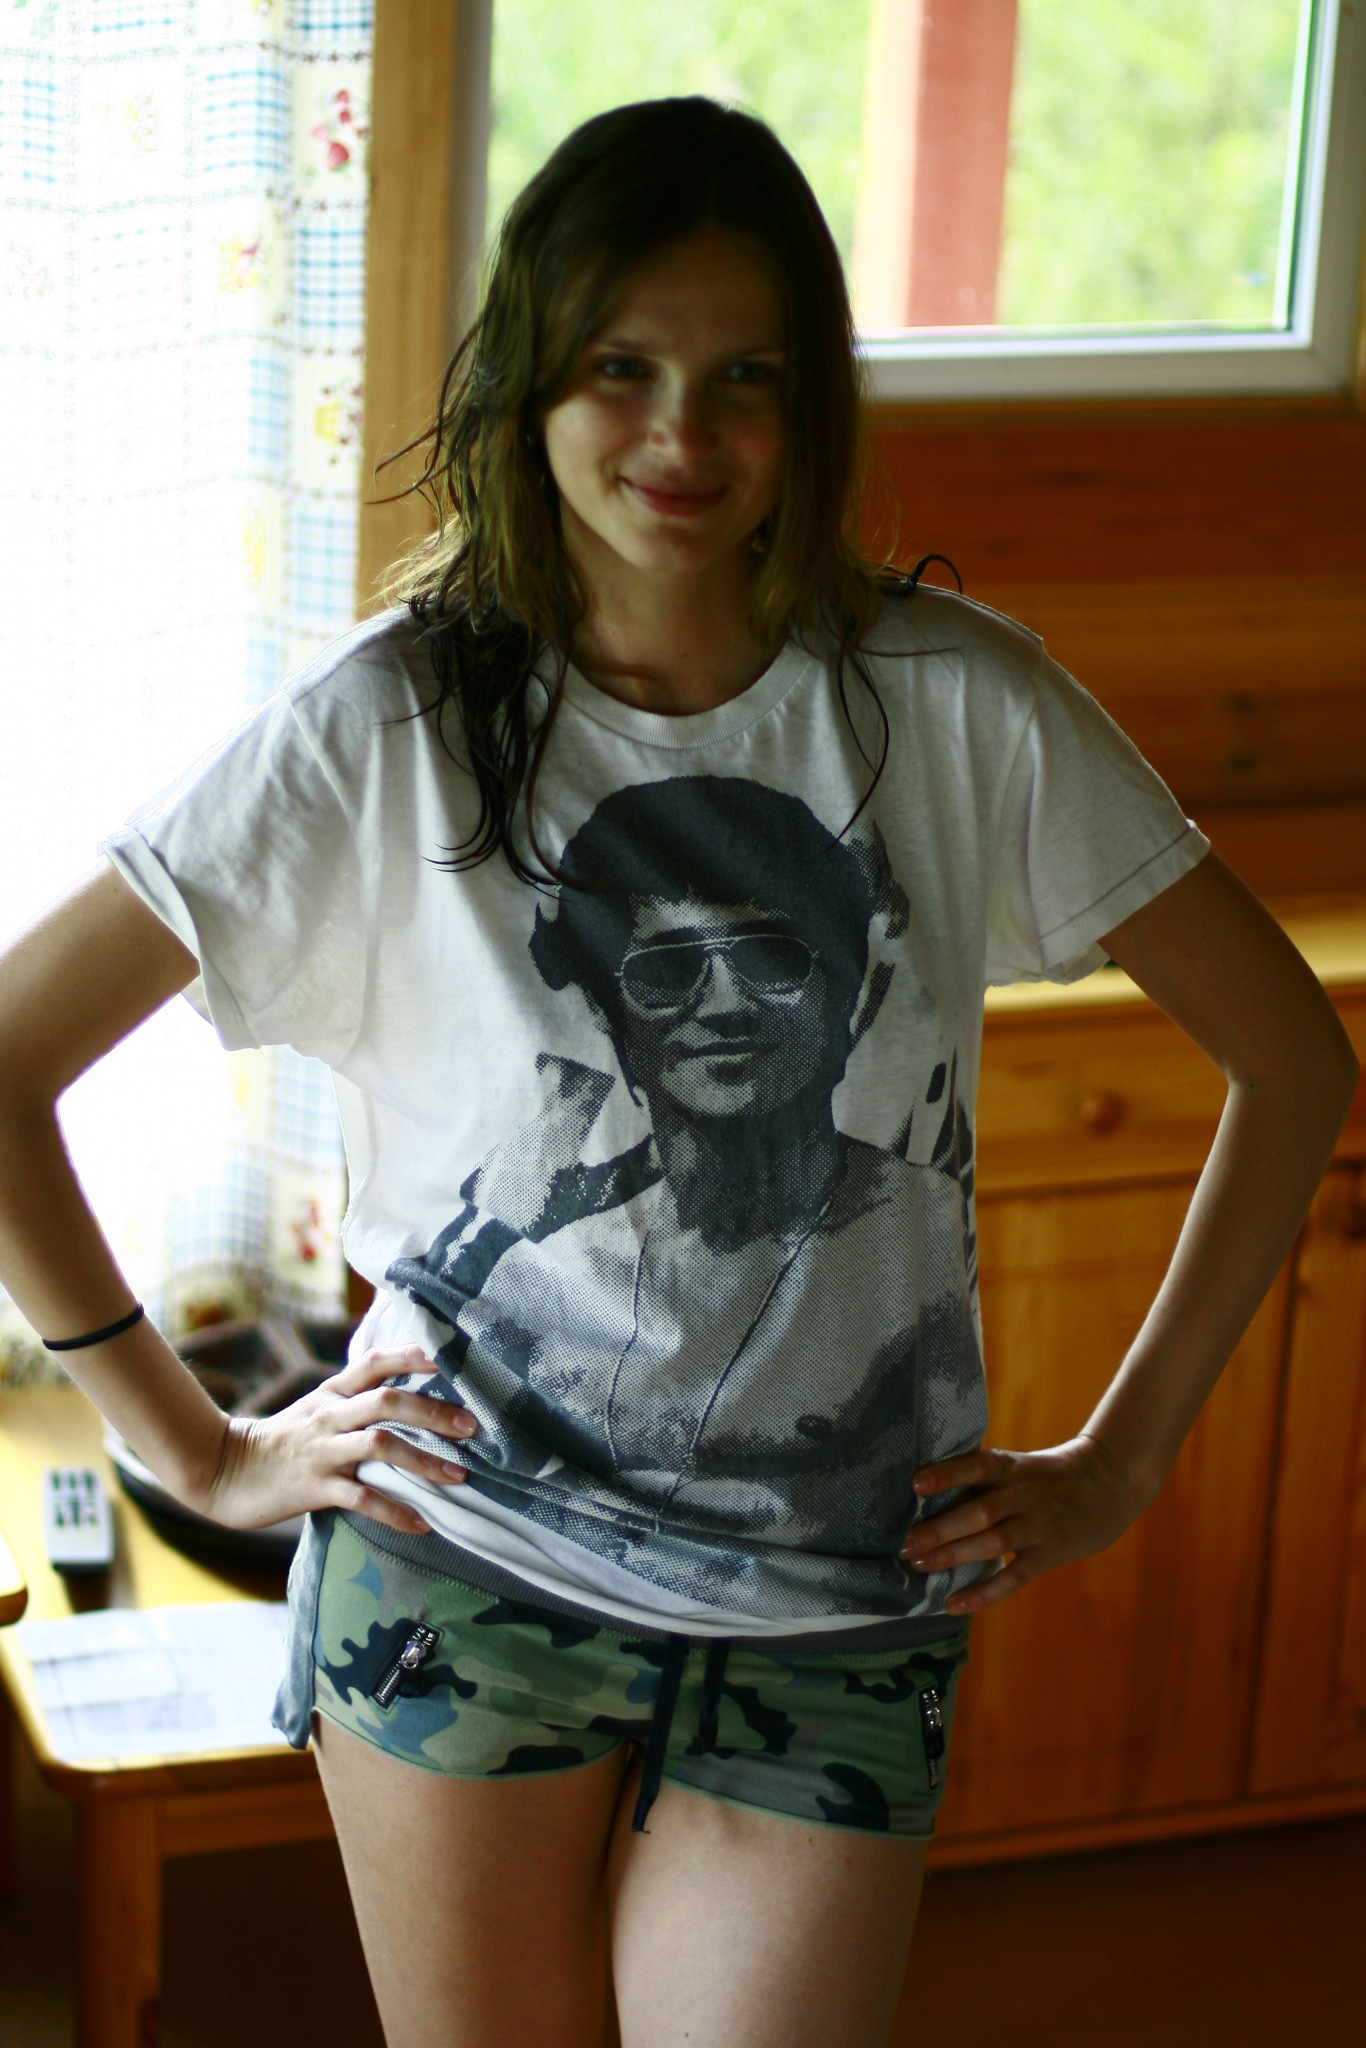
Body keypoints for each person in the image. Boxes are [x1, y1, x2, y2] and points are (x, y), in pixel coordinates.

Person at [0, 93, 1354, 2048]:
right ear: (528, 386)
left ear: (810, 407)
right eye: (619, 368)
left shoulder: (954, 704)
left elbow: (1292, 1060)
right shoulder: (389, 726)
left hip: (838, 1609)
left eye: (744, 378)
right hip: (462, 1574)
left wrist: (1123, 1457)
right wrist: (192, 1446)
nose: (681, 437)